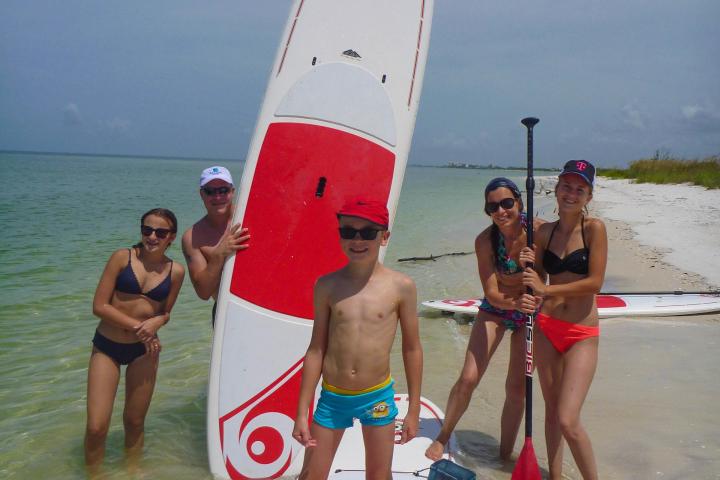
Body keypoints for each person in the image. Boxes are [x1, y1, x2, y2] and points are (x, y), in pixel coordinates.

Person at [292, 197, 423, 479]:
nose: (357, 239)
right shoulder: (326, 285)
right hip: (332, 398)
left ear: (384, 237)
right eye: (349, 231)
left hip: (377, 397)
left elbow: (412, 349)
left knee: (378, 475)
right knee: (311, 474)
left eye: (368, 232)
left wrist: (414, 409)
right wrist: (302, 412)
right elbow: (316, 350)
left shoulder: (401, 287)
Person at [425, 177, 542, 461]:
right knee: (468, 378)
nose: (501, 211)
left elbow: (553, 277)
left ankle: (503, 456)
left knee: (516, 390)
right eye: (493, 207)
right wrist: (517, 294)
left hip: (531, 313)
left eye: (506, 203)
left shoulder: (540, 232)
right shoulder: (485, 241)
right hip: (496, 309)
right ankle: (442, 436)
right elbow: (493, 292)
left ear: (519, 201)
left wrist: (536, 267)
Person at [521, 160, 606, 480]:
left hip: (581, 331)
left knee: (569, 420)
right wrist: (528, 264)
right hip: (546, 327)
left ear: (589, 196)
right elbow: (537, 278)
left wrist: (545, 287)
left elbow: (595, 282)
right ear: (555, 190)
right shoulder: (544, 232)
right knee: (552, 413)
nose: (572, 193)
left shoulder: (594, 229)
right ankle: (555, 477)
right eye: (566, 186)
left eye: (580, 189)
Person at [85, 208, 185, 472]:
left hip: (144, 351)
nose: (152, 236)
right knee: (96, 426)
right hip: (107, 347)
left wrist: (158, 321)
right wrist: (140, 326)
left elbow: (165, 313)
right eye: (147, 230)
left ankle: (132, 473)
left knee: (134, 421)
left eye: (160, 232)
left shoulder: (176, 272)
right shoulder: (122, 258)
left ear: (171, 237)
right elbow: (99, 305)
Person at [181, 166, 249, 322]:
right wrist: (219, 254)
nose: (217, 197)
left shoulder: (251, 218)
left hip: (262, 307)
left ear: (232, 191)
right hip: (226, 313)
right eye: (210, 191)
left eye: (223, 190)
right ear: (201, 194)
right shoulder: (192, 237)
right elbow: (203, 292)